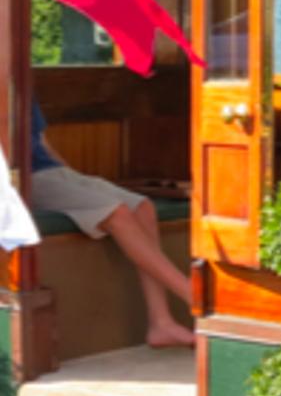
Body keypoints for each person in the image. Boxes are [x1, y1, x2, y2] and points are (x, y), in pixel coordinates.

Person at [30, 100, 194, 348]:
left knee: (143, 208)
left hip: (53, 172)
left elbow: (42, 142)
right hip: (25, 179)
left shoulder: (22, 86)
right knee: (117, 213)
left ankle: (161, 323)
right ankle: (193, 296)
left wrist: (74, 178)